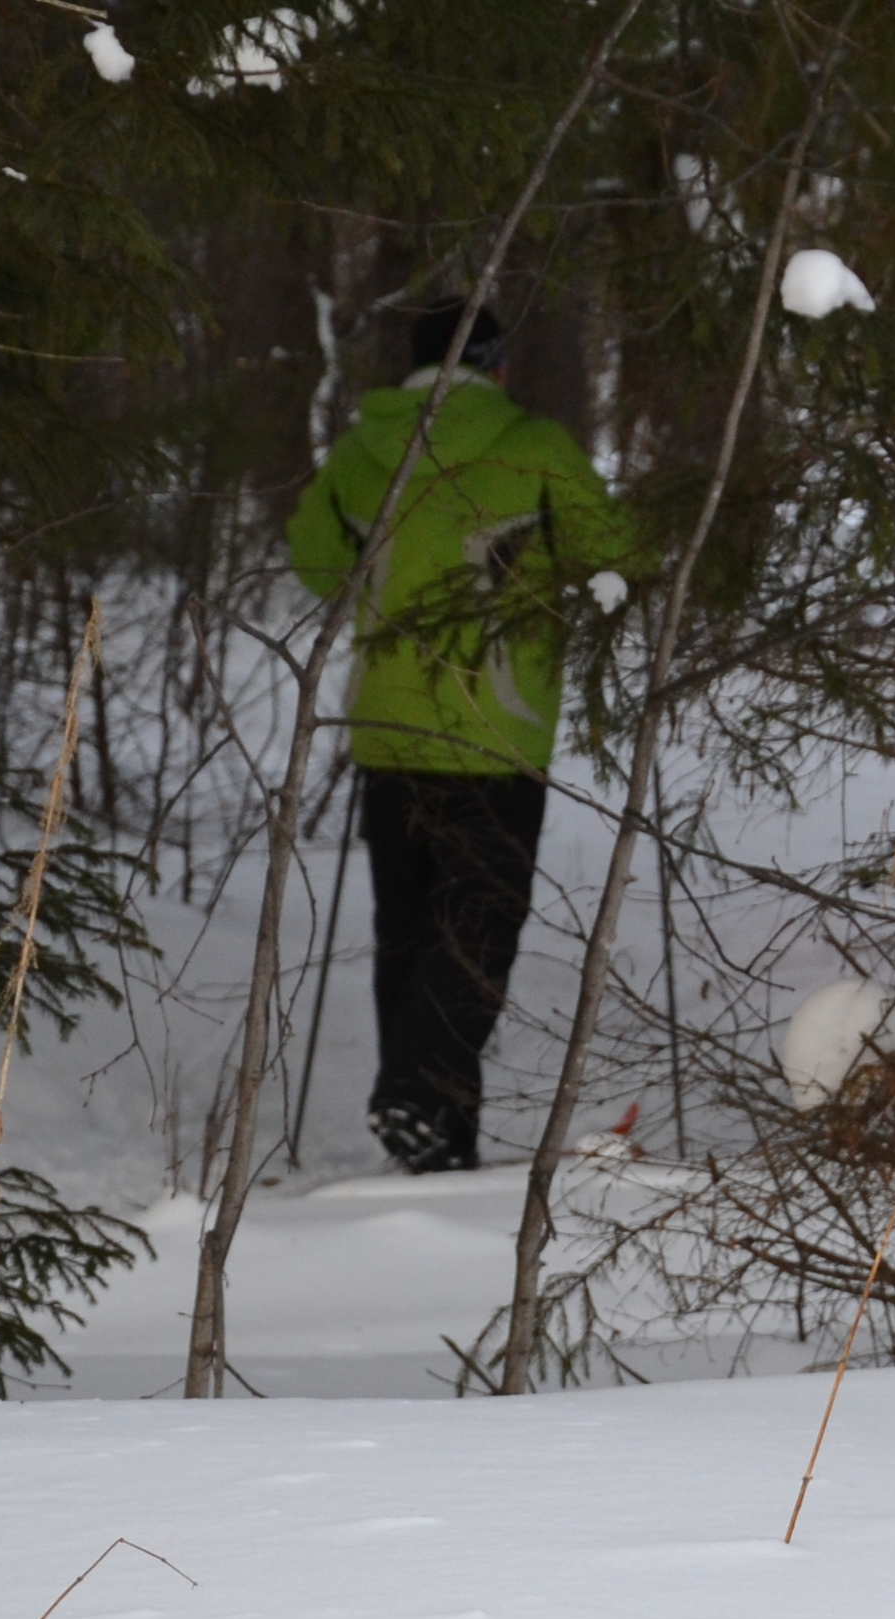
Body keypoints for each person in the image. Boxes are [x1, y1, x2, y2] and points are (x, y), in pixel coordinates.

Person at [288, 303, 634, 1172]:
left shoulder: (366, 449)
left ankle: (437, 1149)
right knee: (479, 928)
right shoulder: (536, 445)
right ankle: (414, 1091)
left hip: (385, 728)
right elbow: (614, 550)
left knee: (408, 931)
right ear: (495, 364)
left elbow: (316, 560)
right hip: (494, 731)